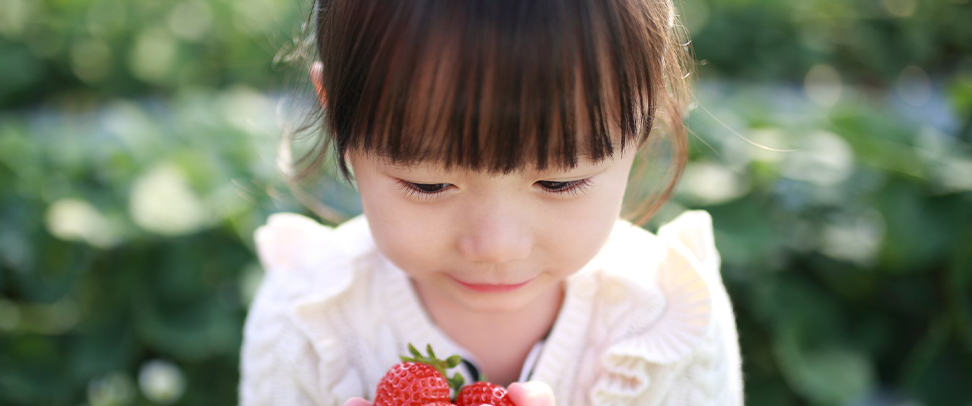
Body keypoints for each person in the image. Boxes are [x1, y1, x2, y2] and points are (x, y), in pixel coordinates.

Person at [240, 0, 743, 405]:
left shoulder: (667, 320)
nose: (496, 246)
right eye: (429, 185)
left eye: (561, 182)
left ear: (647, 111)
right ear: (337, 116)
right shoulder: (308, 322)